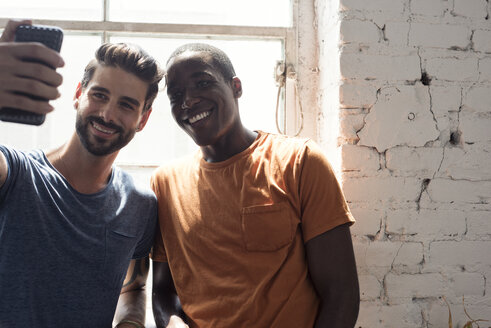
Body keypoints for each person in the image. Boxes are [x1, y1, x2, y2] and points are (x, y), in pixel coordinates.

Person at [150, 43, 360, 328]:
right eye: (176, 95)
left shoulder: (300, 162)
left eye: (202, 82)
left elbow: (341, 295)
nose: (188, 100)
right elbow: (163, 292)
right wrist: (173, 324)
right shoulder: (164, 184)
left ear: (236, 87)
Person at [0, 19, 163, 328]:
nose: (107, 114)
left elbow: (134, 287)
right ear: (78, 94)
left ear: (143, 119)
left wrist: (130, 323)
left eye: (126, 105)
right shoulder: (15, 173)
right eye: (99, 95)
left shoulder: (141, 205)